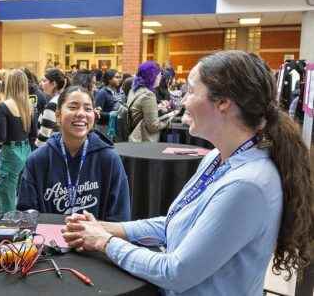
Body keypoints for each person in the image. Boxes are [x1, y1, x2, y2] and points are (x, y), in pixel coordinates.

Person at [62, 51, 313, 295]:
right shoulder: (217, 157)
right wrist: (108, 228)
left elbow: (176, 273)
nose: (183, 101)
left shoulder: (248, 185)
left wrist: (104, 242)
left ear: (223, 102)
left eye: (191, 91)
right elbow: (176, 225)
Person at [17, 86, 131, 221]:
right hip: (48, 240)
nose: (81, 113)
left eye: (88, 109)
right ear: (58, 115)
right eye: (73, 107)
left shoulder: (109, 159)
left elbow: (120, 217)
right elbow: (26, 215)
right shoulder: (37, 160)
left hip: (97, 240)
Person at [0, 69, 38, 214]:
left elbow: (2, 136)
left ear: (9, 84)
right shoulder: (31, 106)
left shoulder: (3, 106)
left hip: (10, 152)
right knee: (22, 192)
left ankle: (7, 226)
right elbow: (34, 134)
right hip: (27, 150)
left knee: (6, 192)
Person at [127, 61, 171, 142]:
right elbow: (153, 127)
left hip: (133, 138)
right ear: (153, 76)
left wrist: (156, 108)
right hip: (144, 141)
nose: (160, 77)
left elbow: (139, 113)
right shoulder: (148, 95)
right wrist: (167, 122)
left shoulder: (134, 90)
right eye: (159, 74)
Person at [36, 68, 66, 147]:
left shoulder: (53, 104)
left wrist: (36, 151)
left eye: (45, 81)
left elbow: (44, 135)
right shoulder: (61, 99)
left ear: (54, 84)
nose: (41, 84)